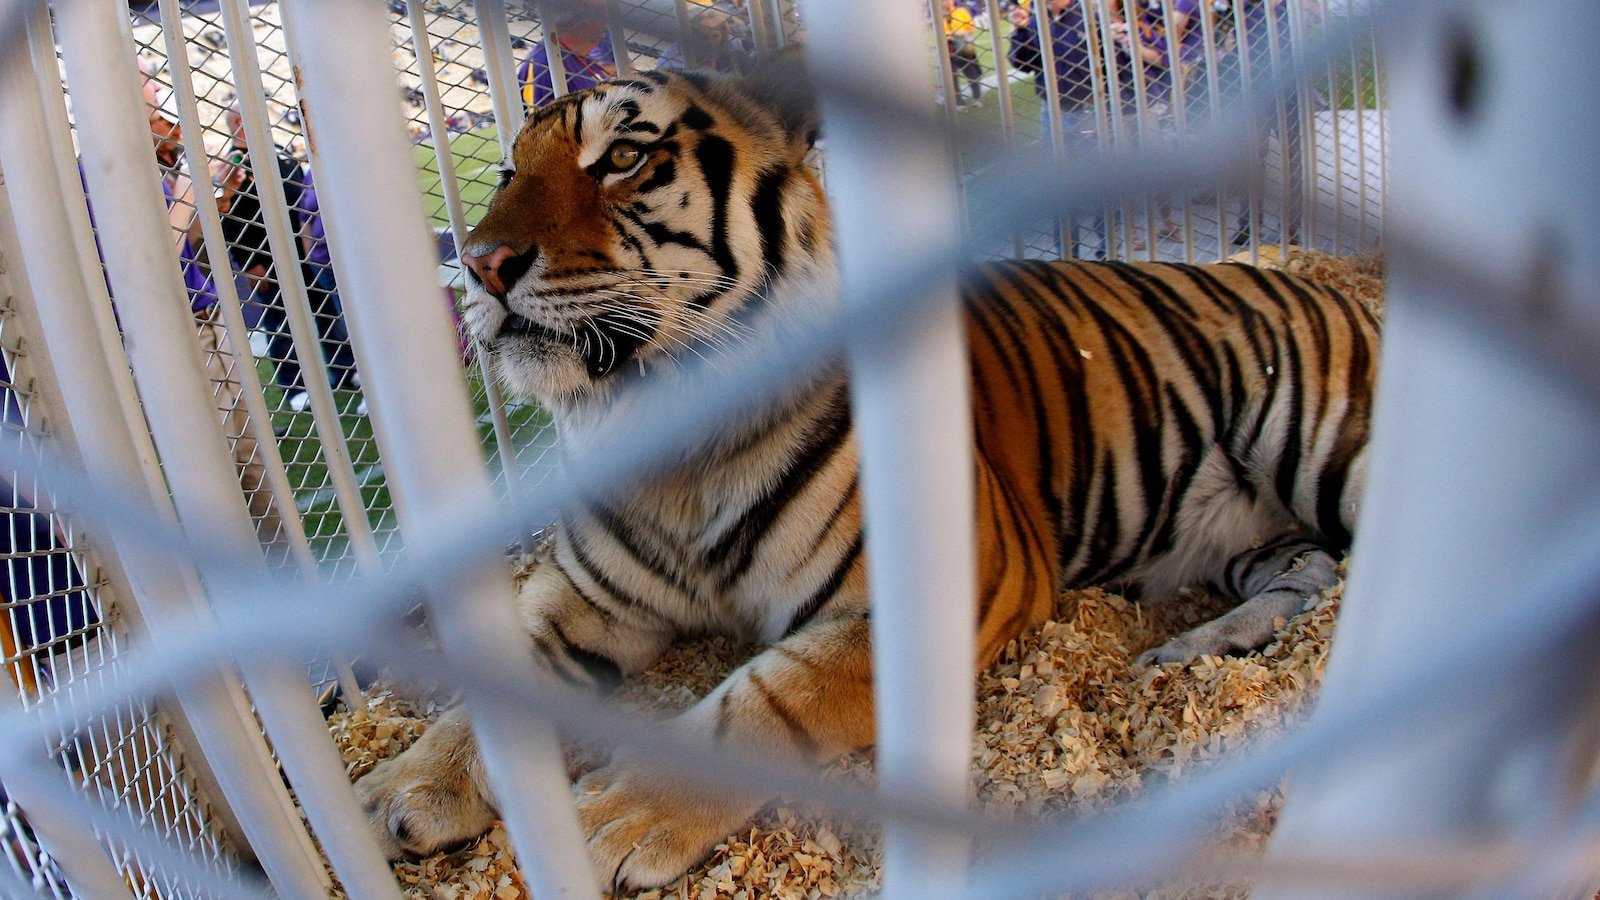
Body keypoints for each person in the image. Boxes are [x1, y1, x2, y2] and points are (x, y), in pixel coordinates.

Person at [127, 65, 285, 548]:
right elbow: (147, 261)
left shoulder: (154, 160)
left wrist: (217, 193)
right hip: (174, 332)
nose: (156, 90)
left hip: (204, 317)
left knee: (253, 452)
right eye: (146, 79)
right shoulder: (105, 172)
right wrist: (190, 192)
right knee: (218, 462)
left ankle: (287, 567)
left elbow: (188, 239)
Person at [216, 104, 360, 414]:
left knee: (325, 313)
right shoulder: (236, 164)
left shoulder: (276, 150)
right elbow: (230, 220)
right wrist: (249, 263)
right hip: (267, 257)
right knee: (282, 322)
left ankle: (344, 368)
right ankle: (294, 385)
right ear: (241, 122)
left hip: (302, 250)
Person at [1008, 0, 1107, 257]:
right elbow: (1022, 63)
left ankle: (1107, 247)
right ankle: (1067, 253)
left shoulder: (1088, 15)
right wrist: (1020, 30)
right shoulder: (1036, 19)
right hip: (1052, 110)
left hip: (1089, 108)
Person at [517, 0, 616, 108]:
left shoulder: (579, 54)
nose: (606, 17)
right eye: (598, 12)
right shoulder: (544, 65)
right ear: (578, 22)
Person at [658, 7, 753, 75]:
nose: (711, 43)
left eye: (715, 36)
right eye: (704, 37)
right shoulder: (671, 57)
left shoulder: (731, 44)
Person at [945, 0, 984, 106]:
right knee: (951, 76)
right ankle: (958, 102)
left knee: (970, 71)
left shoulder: (961, 11)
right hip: (947, 46)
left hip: (962, 45)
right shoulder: (939, 16)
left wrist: (962, 33)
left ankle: (977, 98)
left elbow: (971, 27)